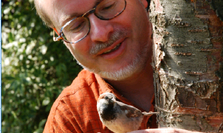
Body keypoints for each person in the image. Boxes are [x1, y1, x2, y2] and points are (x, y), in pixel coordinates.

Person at [34, 0, 198, 132]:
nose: (101, 34)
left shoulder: (214, 55)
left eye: (107, 7)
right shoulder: (70, 121)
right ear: (61, 36)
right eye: (76, 26)